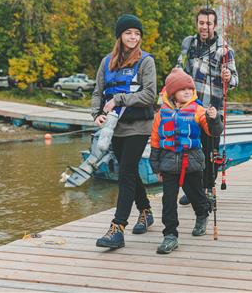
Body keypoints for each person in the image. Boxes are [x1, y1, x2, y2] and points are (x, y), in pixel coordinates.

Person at [92, 14, 157, 248]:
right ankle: (146, 211)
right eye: (129, 32)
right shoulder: (106, 62)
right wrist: (96, 113)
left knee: (126, 172)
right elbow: (98, 92)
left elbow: (150, 94)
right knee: (128, 171)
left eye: (137, 34)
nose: (133, 37)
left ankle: (117, 228)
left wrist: (119, 99)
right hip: (114, 128)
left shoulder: (146, 61)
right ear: (120, 35)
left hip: (138, 126)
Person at [149, 68, 223, 254]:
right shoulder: (162, 113)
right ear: (173, 92)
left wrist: (214, 119)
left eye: (190, 88)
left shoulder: (198, 110)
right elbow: (156, 140)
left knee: (195, 194)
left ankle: (202, 213)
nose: (188, 92)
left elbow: (212, 132)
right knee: (168, 201)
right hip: (168, 163)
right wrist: (156, 166)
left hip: (192, 162)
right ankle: (170, 235)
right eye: (183, 89)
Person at [176, 8, 238, 204]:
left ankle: (208, 190)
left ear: (215, 25)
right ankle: (194, 190)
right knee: (190, 150)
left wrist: (229, 77)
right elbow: (180, 68)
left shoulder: (225, 50)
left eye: (208, 23)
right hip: (189, 108)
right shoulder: (189, 43)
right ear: (197, 24)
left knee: (210, 153)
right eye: (201, 23)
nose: (204, 27)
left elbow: (235, 80)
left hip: (212, 110)